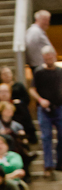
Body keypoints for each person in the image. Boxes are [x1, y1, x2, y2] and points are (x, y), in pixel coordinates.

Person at [30, 46, 62, 178]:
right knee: (46, 137)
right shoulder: (39, 72)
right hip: (44, 109)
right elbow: (32, 89)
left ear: (54, 56)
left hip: (59, 107)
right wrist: (40, 99)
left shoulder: (60, 71)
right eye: (46, 56)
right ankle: (48, 165)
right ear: (43, 58)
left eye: (51, 56)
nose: (49, 58)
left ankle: (59, 162)